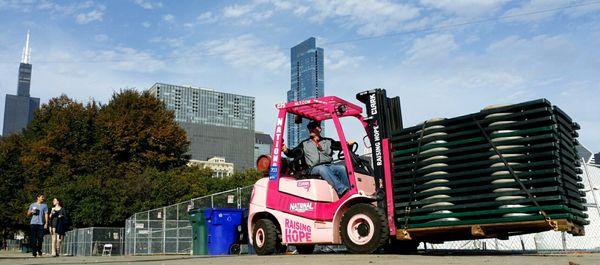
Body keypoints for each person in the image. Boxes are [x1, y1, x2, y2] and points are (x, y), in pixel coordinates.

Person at [283, 120, 352, 197]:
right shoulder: (304, 143)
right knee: (322, 169)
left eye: (313, 127)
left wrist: (348, 144)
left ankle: (349, 192)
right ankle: (341, 190)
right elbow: (293, 153)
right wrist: (286, 150)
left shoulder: (328, 141)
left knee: (341, 168)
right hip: (313, 168)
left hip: (329, 165)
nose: (310, 129)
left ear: (319, 129)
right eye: (309, 128)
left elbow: (339, 145)